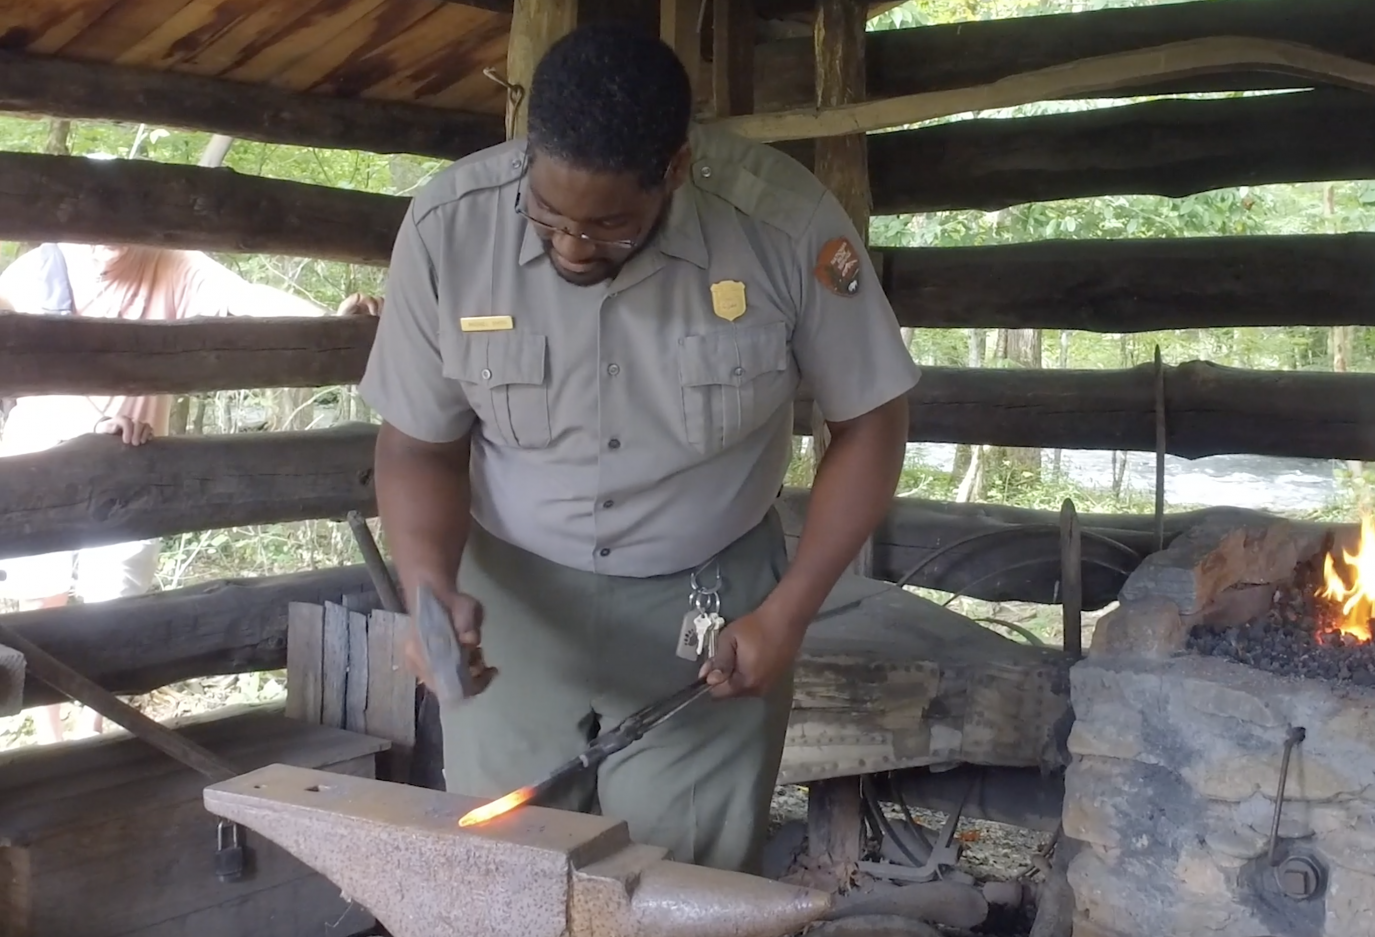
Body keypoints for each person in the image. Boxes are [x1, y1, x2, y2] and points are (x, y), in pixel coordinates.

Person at [358, 23, 918, 874]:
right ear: (525, 153)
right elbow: (415, 446)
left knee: (675, 881)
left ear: (676, 171)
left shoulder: (784, 225)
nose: (576, 245)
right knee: (502, 878)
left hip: (711, 617)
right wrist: (430, 586)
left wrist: (789, 613)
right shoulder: (448, 230)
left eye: (612, 225)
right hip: (513, 613)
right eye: (548, 217)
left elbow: (873, 420)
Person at [0, 240, 380, 740]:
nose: (104, 240)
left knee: (113, 610)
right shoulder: (40, 268)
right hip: (41, 461)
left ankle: (93, 729)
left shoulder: (172, 262)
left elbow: (245, 298)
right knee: (42, 599)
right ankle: (49, 735)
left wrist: (330, 322)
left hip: (130, 473)